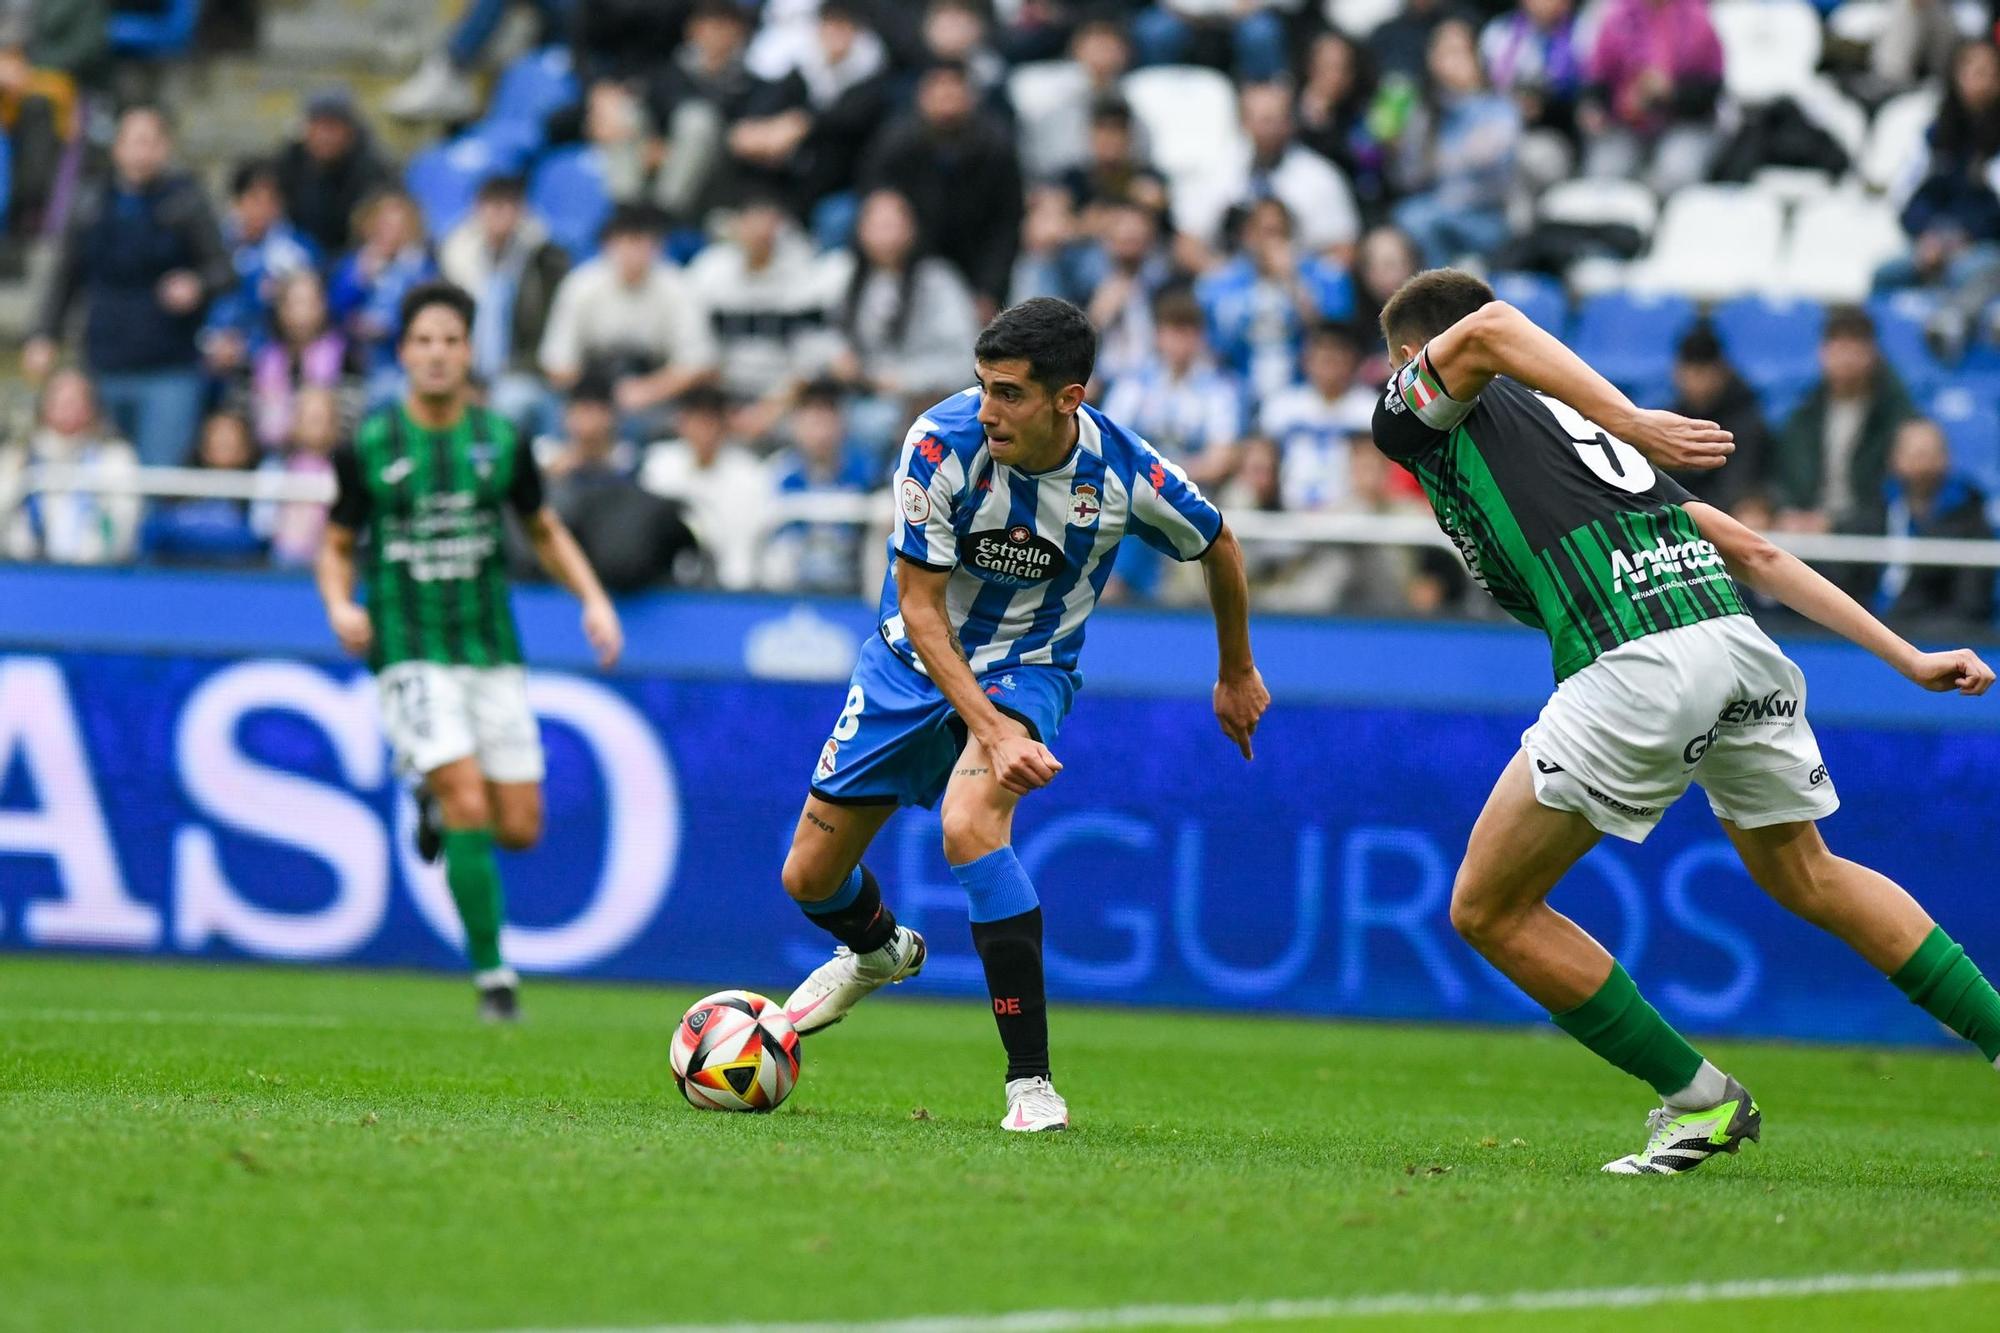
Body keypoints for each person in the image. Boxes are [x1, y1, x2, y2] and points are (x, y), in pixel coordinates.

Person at [1369, 267, 1999, 1175]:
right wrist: (1907, 657)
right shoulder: (1573, 429)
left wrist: (1633, 415)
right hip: (1735, 640)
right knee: (1809, 874)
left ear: (1410, 354)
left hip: (1637, 658)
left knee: (1488, 905)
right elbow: (1752, 548)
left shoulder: (1425, 408)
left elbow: (1491, 325)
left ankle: (1700, 1102)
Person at [774, 297, 1269, 1131]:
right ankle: (881, 951)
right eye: (982, 386)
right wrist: (991, 731)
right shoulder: (939, 443)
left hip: (1030, 665)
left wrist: (1237, 669)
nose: (988, 408)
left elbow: (1217, 542)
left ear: (1067, 398)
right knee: (808, 879)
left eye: (1008, 393)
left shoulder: (1123, 472)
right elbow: (922, 611)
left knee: (970, 827)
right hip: (910, 659)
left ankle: (1031, 1084)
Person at [316, 281, 624, 1022]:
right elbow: (334, 544)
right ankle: (495, 978)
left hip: (489, 645)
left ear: (468, 351)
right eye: (423, 340)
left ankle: (428, 797)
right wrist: (339, 604)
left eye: (450, 340)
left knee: (517, 825)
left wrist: (593, 598)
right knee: (465, 795)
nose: (437, 353)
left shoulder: (503, 439)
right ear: (403, 353)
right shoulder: (369, 444)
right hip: (407, 643)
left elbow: (543, 528)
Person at [25, 104, 233, 468]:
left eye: (152, 141)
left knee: (159, 474)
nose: (143, 151)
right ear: (117, 147)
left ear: (165, 147)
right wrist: (44, 334)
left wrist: (196, 284)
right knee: (99, 472)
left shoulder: (187, 200)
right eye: (135, 140)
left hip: (169, 365)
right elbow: (65, 276)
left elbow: (223, 270)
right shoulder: (90, 201)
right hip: (104, 359)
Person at [536, 203, 720, 441]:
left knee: (666, 420)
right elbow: (557, 363)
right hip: (588, 390)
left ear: (658, 247)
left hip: (655, 394)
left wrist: (648, 391)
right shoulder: (581, 284)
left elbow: (699, 364)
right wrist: (598, 399)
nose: (633, 252)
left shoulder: (677, 287)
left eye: (641, 242)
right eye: (625, 242)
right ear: (607, 245)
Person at [859, 58, 1024, 318]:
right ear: (921, 96)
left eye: (955, 87)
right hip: (911, 260)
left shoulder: (996, 148)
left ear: (973, 97)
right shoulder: (895, 143)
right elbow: (876, 201)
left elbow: (1005, 226)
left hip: (974, 258)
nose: (946, 96)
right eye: (937, 87)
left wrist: (990, 290)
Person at [437, 174, 571, 438]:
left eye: (507, 206)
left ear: (522, 211)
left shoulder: (546, 261)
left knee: (509, 404)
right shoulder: (456, 257)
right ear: (477, 210)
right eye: (491, 206)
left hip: (525, 370)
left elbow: (552, 332)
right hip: (467, 371)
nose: (498, 214)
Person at [1772, 306, 1915, 532]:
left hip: (1867, 535)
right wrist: (1786, 510)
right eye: (1838, 346)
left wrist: (1835, 524)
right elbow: (1782, 479)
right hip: (1804, 528)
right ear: (1822, 352)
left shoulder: (1895, 418)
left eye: (1855, 346)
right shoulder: (1802, 415)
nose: (1846, 357)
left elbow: (1893, 494)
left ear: (1873, 353)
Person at [1392, 18, 1521, 268]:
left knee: (1423, 218)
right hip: (1435, 215)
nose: (1452, 62)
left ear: (1476, 57)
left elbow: (1496, 170)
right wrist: (1398, 147)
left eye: (1459, 52)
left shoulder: (1498, 108)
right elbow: (1410, 177)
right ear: (1432, 61)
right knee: (1408, 216)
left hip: (1486, 216)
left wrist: (1468, 97)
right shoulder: (1424, 112)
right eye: (1444, 53)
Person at [1851, 417, 1996, 627]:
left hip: (1932, 637)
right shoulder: (1875, 507)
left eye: (1930, 453)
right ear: (1893, 458)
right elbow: (1846, 580)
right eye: (1914, 454)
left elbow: (1971, 604)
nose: (1922, 463)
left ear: (1946, 458)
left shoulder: (1971, 518)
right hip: (1865, 632)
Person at [1578, 0, 1724, 196]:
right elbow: (1598, 84)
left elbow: (1712, 90)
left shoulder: (1698, 19)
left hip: (1686, 121)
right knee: (1604, 175)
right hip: (1625, 125)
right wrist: (1600, 109)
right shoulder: (1615, 18)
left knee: (1675, 175)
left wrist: (1671, 92)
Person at [0, 368, 141, 563]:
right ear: (44, 406)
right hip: (26, 570)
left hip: (95, 573)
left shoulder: (115, 456)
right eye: (60, 400)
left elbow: (124, 522)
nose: (67, 408)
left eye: (76, 401)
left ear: (92, 407)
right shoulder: (17, 456)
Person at [638, 383, 771, 589]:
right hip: (665, 585)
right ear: (682, 423)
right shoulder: (658, 467)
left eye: (711, 421)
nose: (705, 430)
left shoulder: (749, 475)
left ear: (725, 425)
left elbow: (746, 551)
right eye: (697, 420)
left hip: (729, 590)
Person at [201, 158, 322, 384]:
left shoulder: (297, 251)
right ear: (237, 201)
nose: (263, 209)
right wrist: (212, 342)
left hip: (272, 365)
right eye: (255, 199)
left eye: (272, 201)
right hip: (208, 358)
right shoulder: (211, 243)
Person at [764, 376, 879, 593]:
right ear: (797, 424)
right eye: (813, 419)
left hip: (853, 580)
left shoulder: (867, 470)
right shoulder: (778, 472)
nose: (821, 430)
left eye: (829, 417)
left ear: (842, 422)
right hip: (791, 584)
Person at [329, 189, 438, 403]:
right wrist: (359, 281)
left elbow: (426, 312)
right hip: (355, 360)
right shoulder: (355, 265)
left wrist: (389, 328)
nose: (390, 233)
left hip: (400, 362)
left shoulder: (420, 268)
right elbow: (334, 309)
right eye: (383, 225)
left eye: (398, 226)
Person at [1259, 320, 1376, 512]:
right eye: (1323, 354)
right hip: (1284, 509)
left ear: (1353, 359)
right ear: (1306, 359)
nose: (1329, 362)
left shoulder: (1369, 409)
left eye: (1337, 355)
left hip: (1351, 512)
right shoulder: (1281, 406)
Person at [1663, 321, 1769, 513]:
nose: (1696, 382)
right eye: (1690, 372)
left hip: (1724, 517)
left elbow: (1738, 485)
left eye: (1702, 372)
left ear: (1720, 371)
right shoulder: (1670, 420)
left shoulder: (1746, 422)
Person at [142, 410, 268, 566]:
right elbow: (154, 533)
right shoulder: (178, 491)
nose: (221, 442)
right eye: (216, 435)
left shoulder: (259, 494)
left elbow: (260, 540)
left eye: (229, 436)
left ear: (246, 446)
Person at [276, 90, 392, 259]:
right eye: (318, 126)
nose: (324, 137)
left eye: (332, 127)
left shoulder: (373, 172)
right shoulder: (288, 164)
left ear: (349, 131)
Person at [249, 270, 350, 453]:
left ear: (323, 306)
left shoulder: (345, 355)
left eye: (311, 303)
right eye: (295, 303)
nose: (303, 312)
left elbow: (351, 416)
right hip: (275, 455)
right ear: (281, 309)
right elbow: (254, 418)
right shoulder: (266, 356)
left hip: (330, 453)